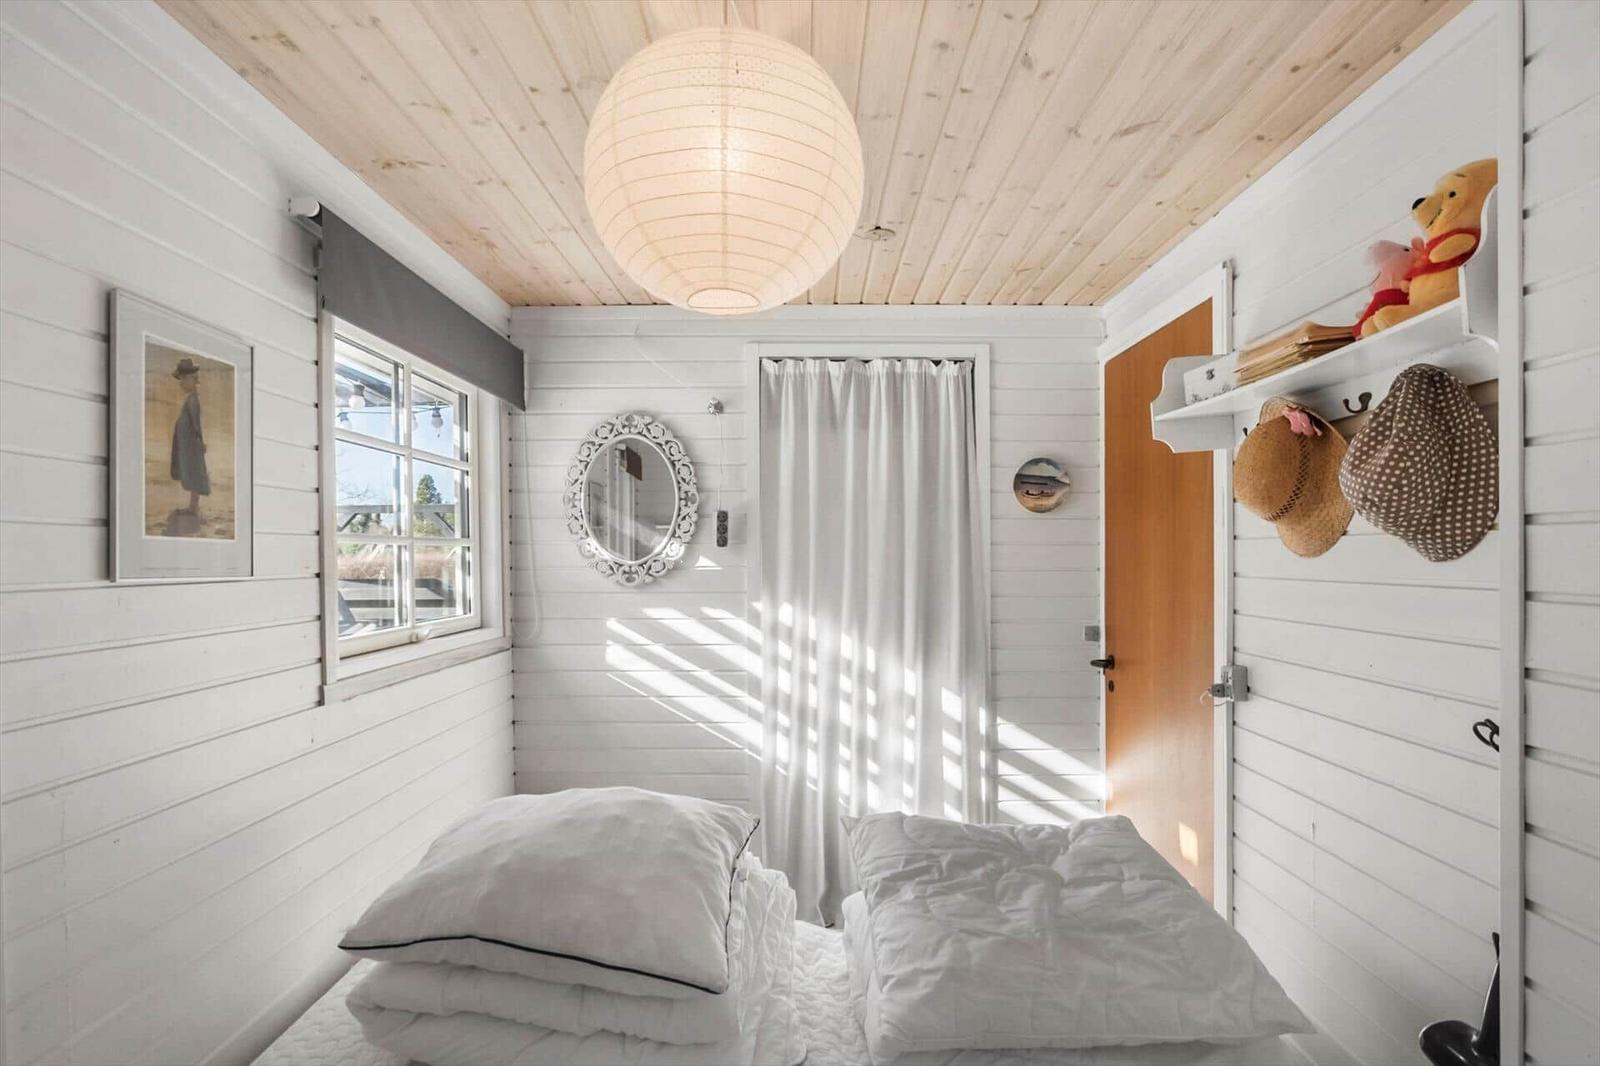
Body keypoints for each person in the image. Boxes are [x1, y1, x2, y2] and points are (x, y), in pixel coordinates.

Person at [170, 357, 210, 514]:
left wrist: (200, 441)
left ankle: (193, 508)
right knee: (191, 471)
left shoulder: (193, 400)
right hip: (189, 443)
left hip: (192, 444)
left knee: (194, 472)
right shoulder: (191, 399)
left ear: (191, 380)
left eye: (183, 380)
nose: (181, 384)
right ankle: (193, 507)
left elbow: (196, 424)